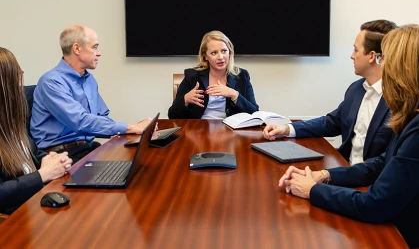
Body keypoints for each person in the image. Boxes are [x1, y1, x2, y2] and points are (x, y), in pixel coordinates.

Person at [279, 25, 419, 248]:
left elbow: (376, 205)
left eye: (388, 61)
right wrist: (324, 175)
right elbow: (382, 163)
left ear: (404, 71)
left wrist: (313, 190)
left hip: (401, 235)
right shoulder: (412, 117)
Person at [263, 20, 398, 164]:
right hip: (345, 170)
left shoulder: (400, 100)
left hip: (373, 181)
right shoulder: (356, 89)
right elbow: (332, 123)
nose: (352, 56)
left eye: (356, 50)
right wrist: (286, 129)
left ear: (371, 56)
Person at [31, 25, 152, 163]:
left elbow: (101, 117)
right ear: (77, 49)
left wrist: (135, 130)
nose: (99, 53)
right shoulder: (52, 82)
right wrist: (130, 127)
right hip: (61, 156)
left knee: (139, 162)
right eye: (94, 47)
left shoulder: (89, 80)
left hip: (87, 149)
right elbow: (80, 122)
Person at [0, 47, 73, 214]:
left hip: (33, 204)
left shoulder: (11, 124)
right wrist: (42, 175)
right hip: (13, 221)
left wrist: (53, 160)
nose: (22, 73)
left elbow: (33, 153)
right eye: (16, 74)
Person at [168, 30, 259, 119]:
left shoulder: (242, 75)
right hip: (200, 129)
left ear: (229, 52)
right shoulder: (192, 76)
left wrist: (234, 94)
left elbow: (254, 112)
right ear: (205, 56)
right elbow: (172, 115)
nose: (220, 57)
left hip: (231, 130)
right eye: (214, 53)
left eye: (224, 51)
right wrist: (185, 99)